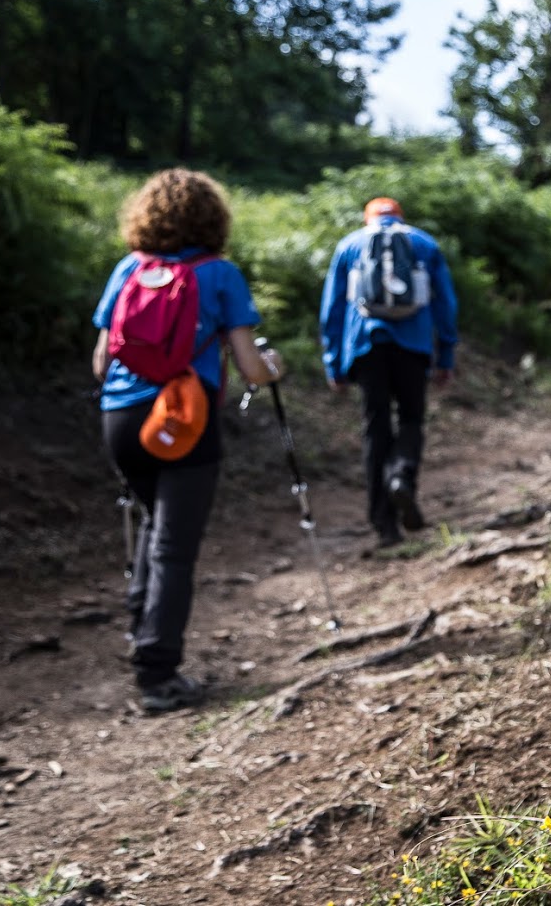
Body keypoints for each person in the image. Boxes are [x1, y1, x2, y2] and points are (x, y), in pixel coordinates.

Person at [92, 168, 284, 713]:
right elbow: (250, 368)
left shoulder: (129, 269)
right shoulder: (219, 275)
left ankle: (144, 638)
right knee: (174, 544)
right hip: (184, 419)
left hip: (123, 421)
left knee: (155, 527)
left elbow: (102, 360)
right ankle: (157, 675)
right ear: (213, 218)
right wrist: (274, 366)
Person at [319, 197, 458, 548]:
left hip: (365, 346)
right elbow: (445, 303)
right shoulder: (424, 244)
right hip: (413, 346)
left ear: (367, 218)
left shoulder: (349, 245)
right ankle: (402, 478)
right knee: (411, 419)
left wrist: (333, 361)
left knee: (375, 428)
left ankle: (385, 525)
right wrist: (446, 356)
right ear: (400, 216)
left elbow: (332, 308)